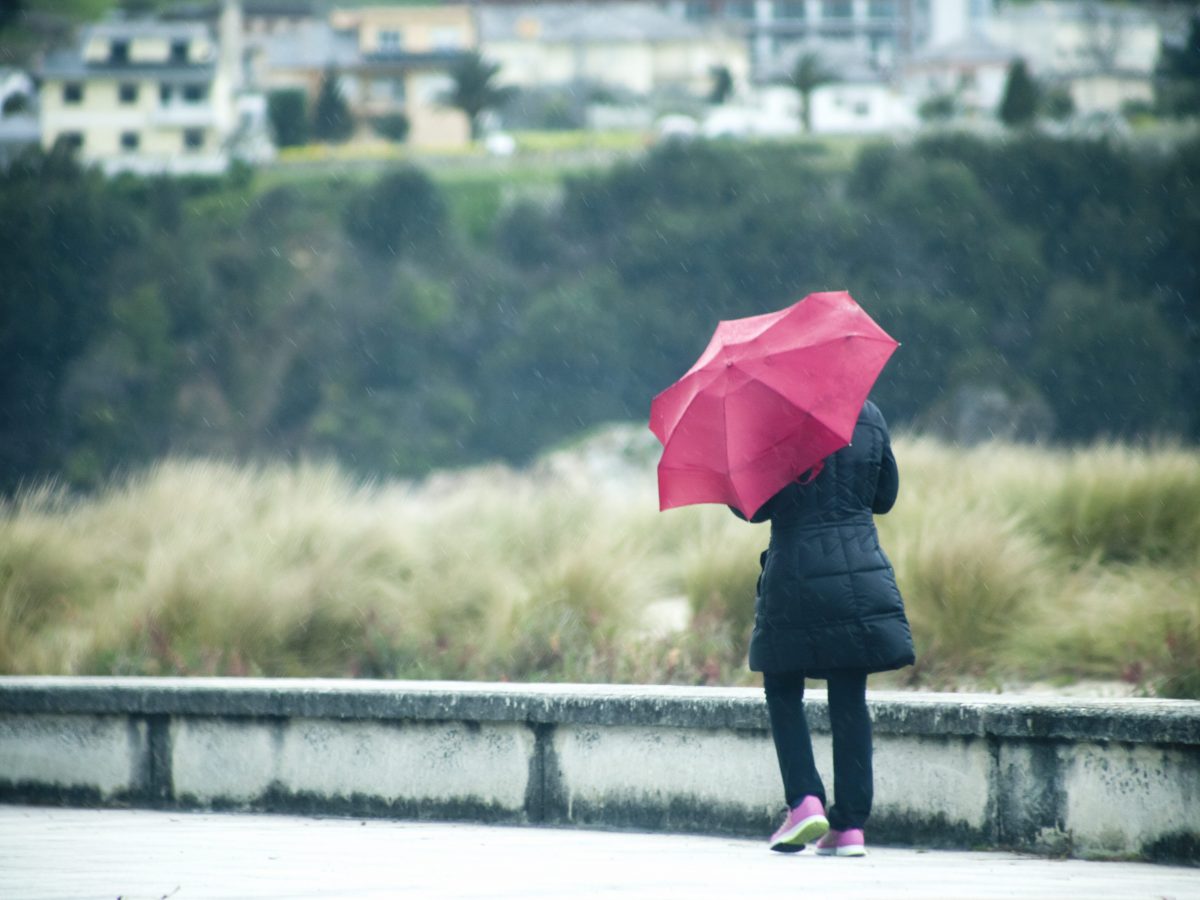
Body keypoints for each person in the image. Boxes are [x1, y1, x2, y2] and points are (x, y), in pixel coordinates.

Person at [731, 398, 914, 857]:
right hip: (859, 569)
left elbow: (756, 509)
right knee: (849, 695)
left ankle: (804, 800)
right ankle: (850, 826)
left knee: (782, 687)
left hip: (794, 572)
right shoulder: (868, 413)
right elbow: (884, 497)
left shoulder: (769, 418)